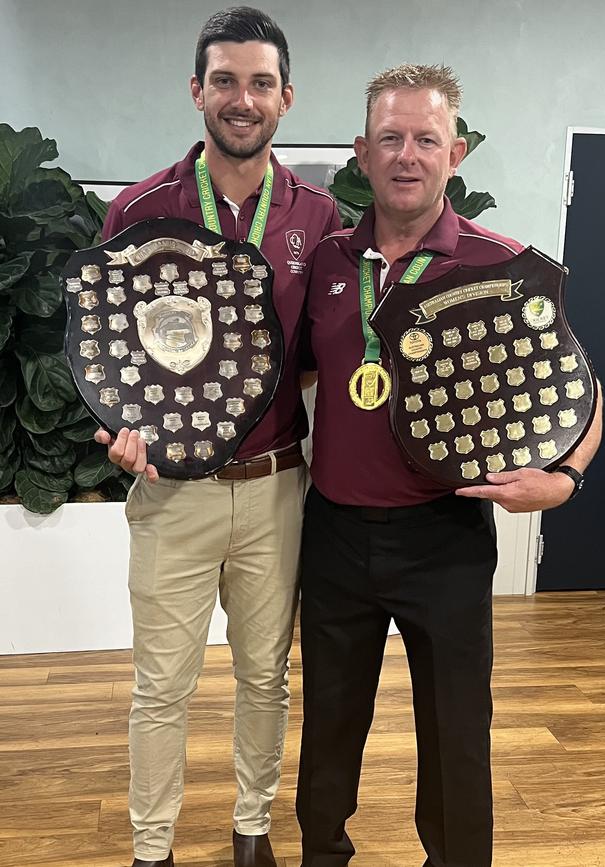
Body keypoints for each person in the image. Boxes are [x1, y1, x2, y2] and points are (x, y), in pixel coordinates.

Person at [296, 63, 603, 867]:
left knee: (457, 732)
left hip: (445, 539)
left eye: (425, 139)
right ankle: (323, 856)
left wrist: (564, 478)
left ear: (455, 151)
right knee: (328, 726)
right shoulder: (328, 262)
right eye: (390, 138)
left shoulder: (502, 266)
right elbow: (286, 375)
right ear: (361, 153)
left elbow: (579, 389)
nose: (407, 155)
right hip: (332, 536)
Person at [95, 8, 340, 867]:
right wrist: (123, 424)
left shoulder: (320, 213)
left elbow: (318, 356)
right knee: (162, 687)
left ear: (287, 97)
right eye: (226, 81)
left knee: (264, 676)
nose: (244, 99)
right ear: (197, 91)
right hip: (171, 490)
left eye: (261, 83)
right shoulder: (140, 208)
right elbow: (107, 350)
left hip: (275, 486)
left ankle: (251, 829)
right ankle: (152, 847)